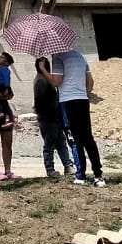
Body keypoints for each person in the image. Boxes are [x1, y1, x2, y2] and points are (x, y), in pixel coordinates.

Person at [40, 49, 104, 186]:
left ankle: (80, 175)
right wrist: (82, 93)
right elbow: (90, 82)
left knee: (74, 139)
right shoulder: (80, 56)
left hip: (67, 102)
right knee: (88, 138)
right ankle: (98, 175)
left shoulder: (58, 57)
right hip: (82, 101)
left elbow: (56, 81)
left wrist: (43, 70)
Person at [32, 55, 73, 179]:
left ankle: (68, 165)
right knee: (49, 145)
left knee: (61, 142)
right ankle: (50, 169)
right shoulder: (41, 80)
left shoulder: (45, 79)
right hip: (48, 117)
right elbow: (41, 101)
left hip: (54, 116)